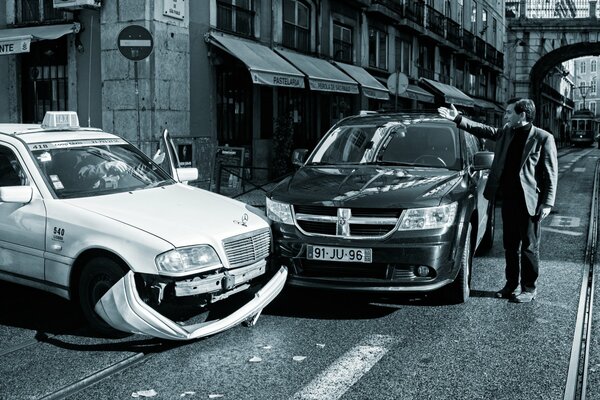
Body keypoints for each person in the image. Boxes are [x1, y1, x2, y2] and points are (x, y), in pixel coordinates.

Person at [438, 99, 558, 303]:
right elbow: (484, 130)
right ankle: (511, 285)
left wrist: (547, 202)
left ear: (522, 115)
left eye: (509, 113)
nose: (506, 116)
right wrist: (458, 118)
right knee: (510, 246)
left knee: (529, 246)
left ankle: (529, 288)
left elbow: (550, 172)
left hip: (529, 202)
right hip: (508, 199)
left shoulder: (542, 137)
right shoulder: (506, 132)